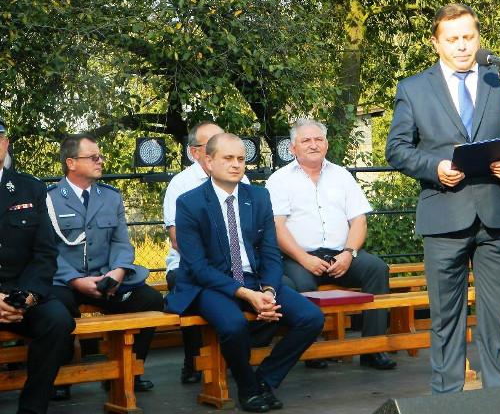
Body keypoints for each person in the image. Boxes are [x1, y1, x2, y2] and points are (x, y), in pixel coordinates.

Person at [385, 3, 500, 393]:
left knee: (497, 316)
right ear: (436, 43)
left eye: (468, 37)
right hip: (444, 215)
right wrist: (435, 166)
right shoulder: (413, 88)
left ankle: (498, 396)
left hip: (498, 215)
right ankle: (447, 398)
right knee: (445, 318)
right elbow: (397, 149)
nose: (462, 46)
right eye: (452, 39)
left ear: (478, 37)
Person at [165, 133, 324, 413]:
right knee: (233, 325)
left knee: (311, 318)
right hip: (209, 284)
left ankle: (265, 379)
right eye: (228, 158)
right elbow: (197, 267)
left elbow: (270, 253)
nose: (236, 164)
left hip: (254, 280)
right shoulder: (190, 202)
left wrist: (268, 291)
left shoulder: (258, 197)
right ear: (208, 161)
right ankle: (248, 390)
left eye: (241, 158)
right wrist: (247, 294)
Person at [265, 119, 396, 370]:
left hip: (341, 254)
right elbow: (277, 227)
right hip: (298, 257)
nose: (313, 145)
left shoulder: (341, 175)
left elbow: (359, 220)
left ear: (326, 144)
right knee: (301, 284)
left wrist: (349, 253)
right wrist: (304, 258)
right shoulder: (279, 180)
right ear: (293, 148)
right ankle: (312, 350)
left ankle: (373, 348)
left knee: (377, 269)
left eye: (319, 139)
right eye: (306, 140)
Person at [48, 134, 164, 400]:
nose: (100, 161)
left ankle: (130, 370)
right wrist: (75, 280)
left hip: (106, 279)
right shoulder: (50, 200)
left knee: (150, 300)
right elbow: (48, 250)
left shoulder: (111, 197)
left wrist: (119, 271)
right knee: (56, 311)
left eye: (100, 156)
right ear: (71, 163)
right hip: (66, 282)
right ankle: (60, 377)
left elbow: (121, 242)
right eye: (93, 157)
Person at [0, 118, 76, 414]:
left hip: (22, 293)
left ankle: (32, 409)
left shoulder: (30, 188)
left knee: (58, 321)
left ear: (6, 143)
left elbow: (45, 252)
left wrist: (27, 296)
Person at [163, 121, 223, 384]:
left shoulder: (240, 178)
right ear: (194, 152)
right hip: (186, 265)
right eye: (211, 144)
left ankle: (235, 356)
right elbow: (178, 241)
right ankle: (194, 360)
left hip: (230, 265)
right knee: (192, 288)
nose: (220, 148)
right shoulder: (181, 184)